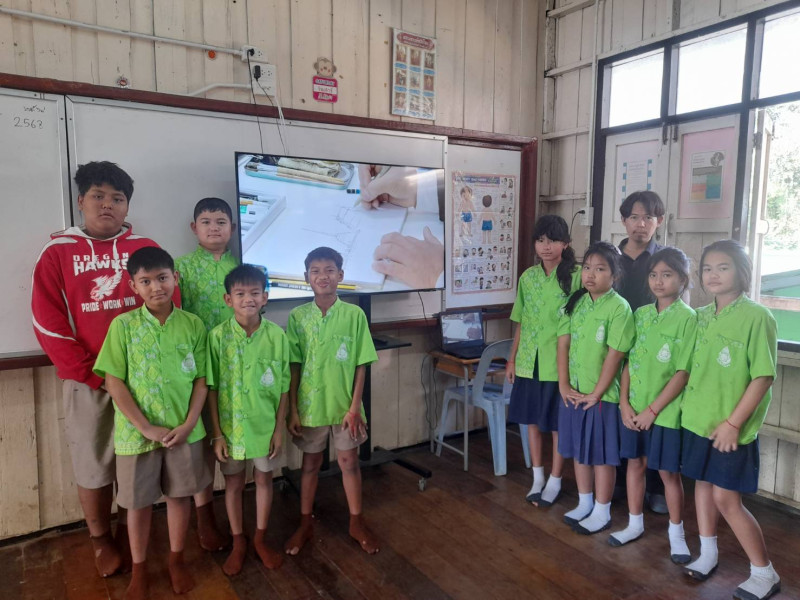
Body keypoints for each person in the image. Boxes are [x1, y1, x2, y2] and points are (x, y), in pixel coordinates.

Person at [31, 161, 177, 578]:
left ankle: (131, 532)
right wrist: (95, 376)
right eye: (98, 196)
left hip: (146, 381)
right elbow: (47, 322)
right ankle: (100, 538)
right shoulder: (58, 252)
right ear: (81, 201)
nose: (107, 205)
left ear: (127, 205)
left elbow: (170, 304)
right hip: (90, 381)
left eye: (117, 198)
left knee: (138, 461)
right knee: (93, 463)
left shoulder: (144, 248)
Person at [94, 247, 211, 600]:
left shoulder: (193, 325)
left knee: (179, 497)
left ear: (176, 278)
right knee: (138, 503)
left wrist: (190, 424)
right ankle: (140, 569)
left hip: (183, 433)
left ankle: (176, 561)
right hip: (136, 435)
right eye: (145, 281)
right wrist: (145, 427)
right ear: (133, 286)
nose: (156, 287)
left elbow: (202, 381)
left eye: (162, 278)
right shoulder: (123, 326)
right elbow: (113, 381)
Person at [681, 240, 781, 600]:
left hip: (731, 429)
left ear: (742, 271)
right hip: (697, 421)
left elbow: (763, 377)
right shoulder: (700, 316)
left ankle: (764, 572)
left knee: (726, 498)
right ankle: (708, 553)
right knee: (702, 487)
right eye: (707, 268)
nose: (713, 274)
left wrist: (734, 423)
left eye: (723, 267)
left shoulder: (757, 316)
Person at [284, 247, 380, 556]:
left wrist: (354, 408)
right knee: (310, 464)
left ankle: (356, 522)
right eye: (315, 271)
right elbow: (294, 366)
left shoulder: (354, 315)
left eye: (329, 270)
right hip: (309, 406)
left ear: (340, 275)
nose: (322, 276)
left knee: (349, 462)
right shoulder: (297, 317)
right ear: (306, 277)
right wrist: (293, 410)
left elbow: (361, 364)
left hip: (345, 407)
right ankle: (305, 523)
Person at [612, 248, 696, 562]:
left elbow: (682, 372)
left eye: (667, 275)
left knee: (668, 474)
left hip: (665, 413)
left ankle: (677, 534)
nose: (659, 281)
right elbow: (627, 363)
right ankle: (634, 524)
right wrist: (624, 403)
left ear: (683, 279)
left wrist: (653, 411)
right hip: (634, 408)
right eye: (653, 275)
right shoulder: (641, 314)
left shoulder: (689, 319)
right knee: (635, 464)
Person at [207, 265, 289, 576]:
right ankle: (238, 541)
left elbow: (284, 388)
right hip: (231, 430)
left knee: (265, 479)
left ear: (265, 297)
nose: (248, 299)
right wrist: (218, 434)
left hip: (265, 428)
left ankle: (259, 539)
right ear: (228, 299)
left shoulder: (277, 336)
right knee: (234, 483)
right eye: (240, 293)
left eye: (255, 292)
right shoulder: (217, 337)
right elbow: (212, 389)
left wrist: (278, 430)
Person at [557, 241, 634, 535]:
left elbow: (616, 355)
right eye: (587, 267)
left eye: (600, 269)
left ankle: (602, 510)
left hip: (602, 397)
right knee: (580, 451)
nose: (590, 274)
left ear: (615, 275)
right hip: (574, 392)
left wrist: (597, 393)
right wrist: (564, 384)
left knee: (601, 456)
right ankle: (584, 502)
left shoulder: (619, 308)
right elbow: (563, 344)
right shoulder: (575, 302)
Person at [174, 197, 238, 552]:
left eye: (221, 221)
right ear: (193, 228)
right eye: (206, 221)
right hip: (198, 370)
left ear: (232, 227)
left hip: (238, 367)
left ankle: (236, 516)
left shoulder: (244, 265)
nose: (214, 227)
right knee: (201, 446)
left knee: (230, 437)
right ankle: (205, 518)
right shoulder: (179, 269)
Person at [506, 215, 581, 508]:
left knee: (558, 425)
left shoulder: (576, 276)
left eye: (552, 240)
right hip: (529, 362)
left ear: (566, 244)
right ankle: (537, 477)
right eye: (540, 240)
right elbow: (521, 322)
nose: (545, 246)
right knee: (532, 422)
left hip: (560, 365)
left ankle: (556, 479)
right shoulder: (528, 277)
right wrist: (512, 360)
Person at [617, 190, 669, 514]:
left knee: (655, 416)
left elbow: (679, 304)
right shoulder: (611, 257)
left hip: (655, 352)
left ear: (659, 221)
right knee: (619, 413)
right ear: (624, 221)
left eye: (648, 217)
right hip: (616, 347)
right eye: (634, 217)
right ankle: (621, 480)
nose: (641, 224)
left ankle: (656, 486)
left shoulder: (666, 258)